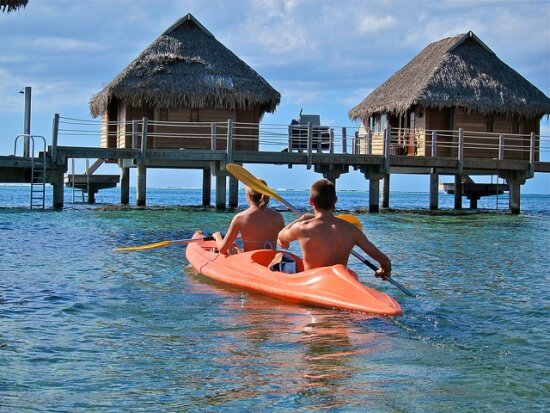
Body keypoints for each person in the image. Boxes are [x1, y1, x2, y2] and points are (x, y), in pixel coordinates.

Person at [278, 179, 392, 277]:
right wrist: (383, 270)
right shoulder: (351, 230)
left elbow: (281, 239)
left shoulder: (302, 228)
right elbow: (385, 262)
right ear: (335, 201)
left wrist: (301, 219)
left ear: (311, 201)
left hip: (313, 282)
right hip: (339, 282)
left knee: (280, 258)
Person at [213, 178, 285, 255]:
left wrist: (217, 236)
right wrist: (273, 238)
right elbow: (285, 245)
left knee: (232, 246)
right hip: (271, 260)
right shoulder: (278, 217)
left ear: (248, 196)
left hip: (250, 262)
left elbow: (222, 249)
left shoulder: (240, 218)